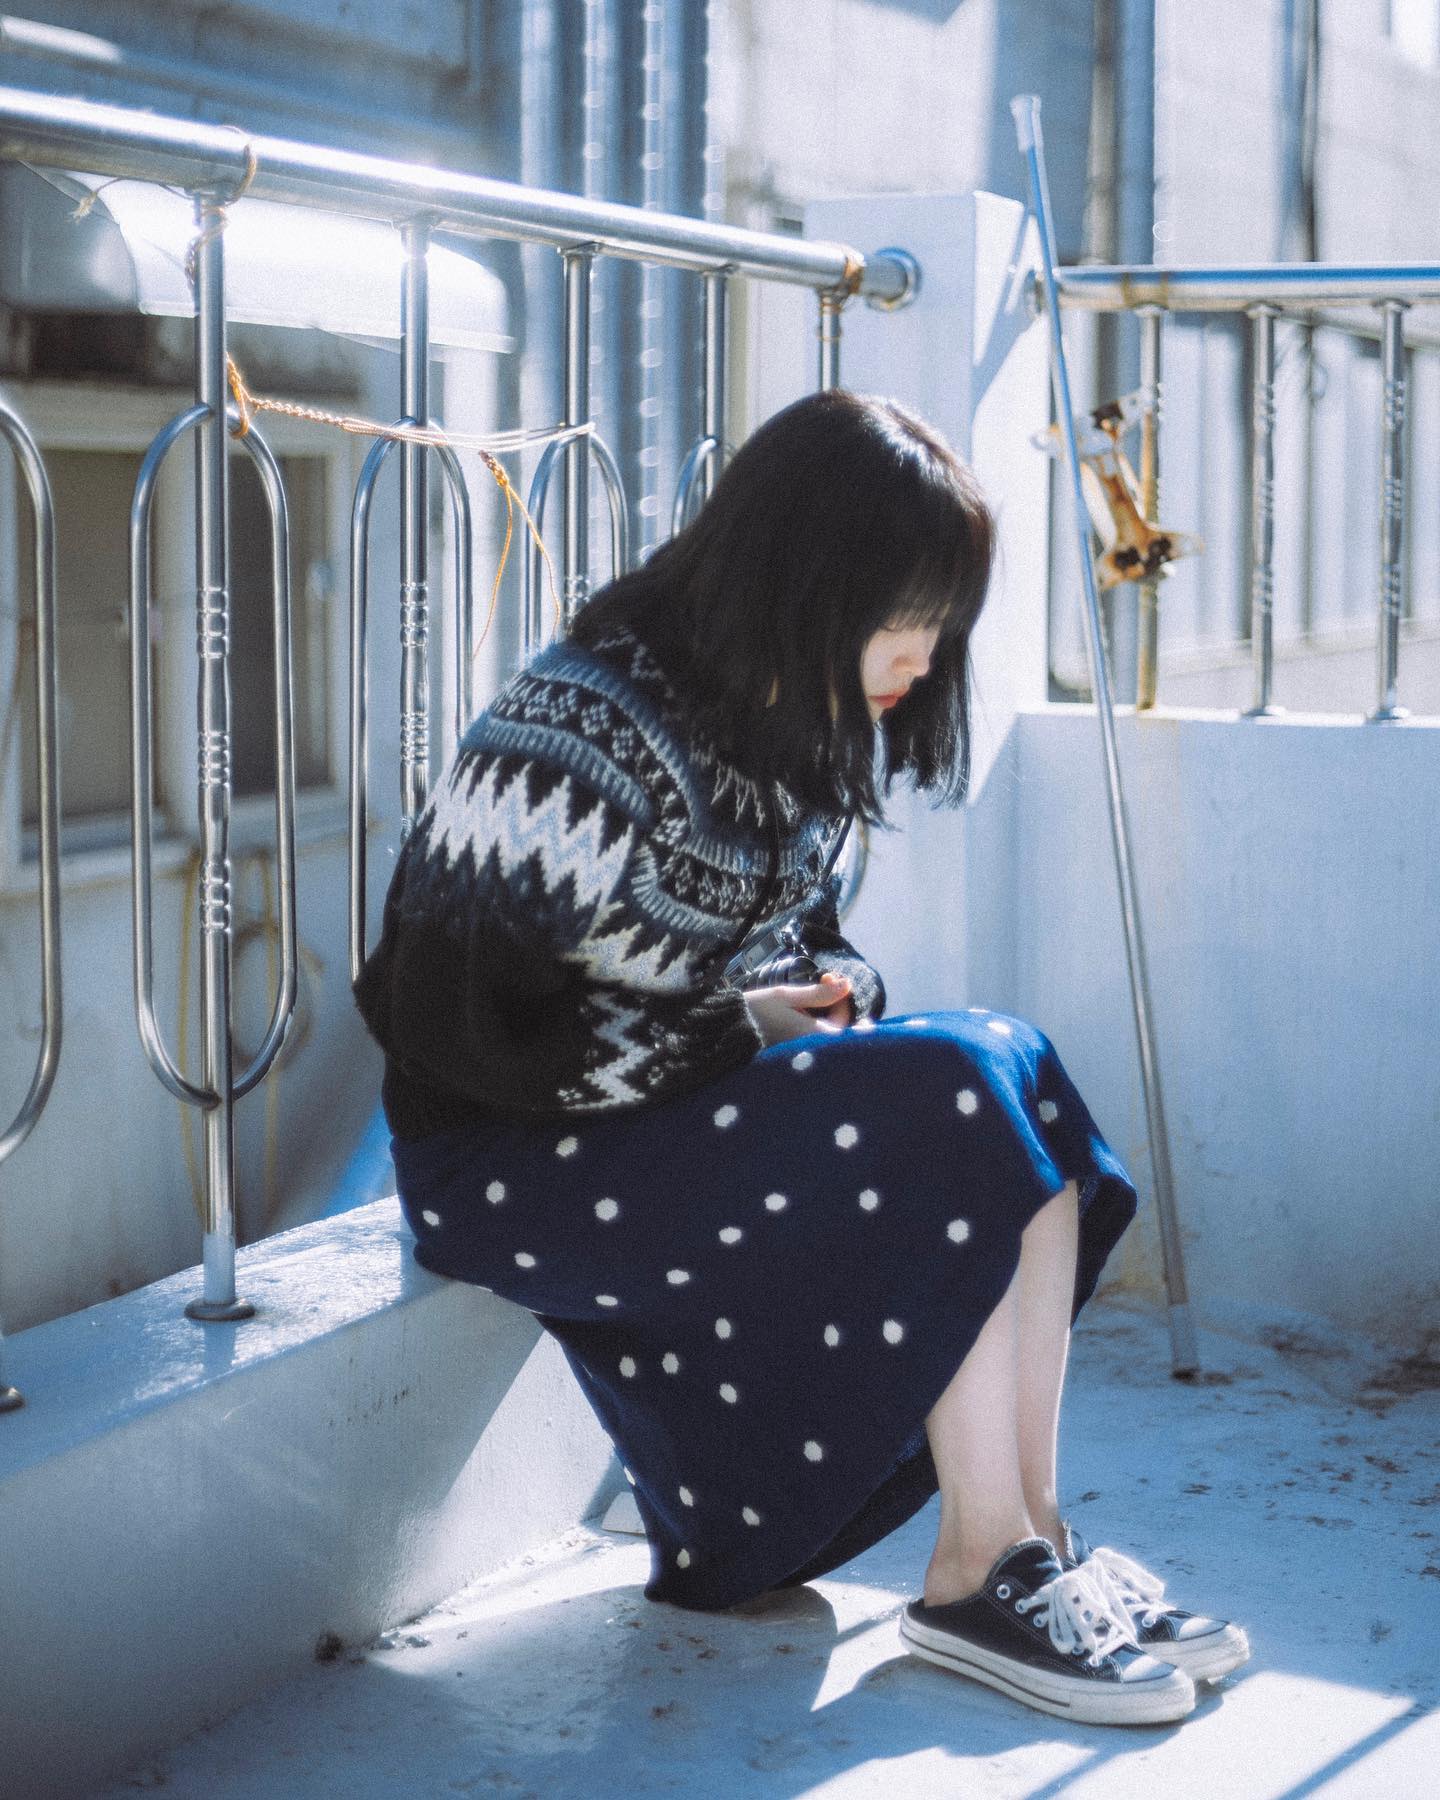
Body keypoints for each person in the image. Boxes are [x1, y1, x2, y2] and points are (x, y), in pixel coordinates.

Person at [354, 389, 1248, 1726]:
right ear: (811, 580)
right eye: (906, 614)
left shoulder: (783, 713)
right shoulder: (583, 726)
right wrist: (739, 1030)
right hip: (505, 1163)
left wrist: (825, 998)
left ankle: (1032, 1540)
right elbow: (446, 1024)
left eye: (944, 621)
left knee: (1012, 1064)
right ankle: (974, 1570)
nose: (926, 656)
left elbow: (795, 942)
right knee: (953, 1094)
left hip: (660, 1119)